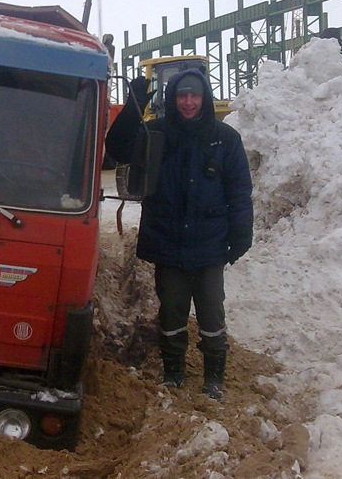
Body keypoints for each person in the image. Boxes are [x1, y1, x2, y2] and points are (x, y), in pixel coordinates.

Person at [105, 68, 254, 401]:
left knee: (212, 313)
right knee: (171, 311)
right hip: (167, 241)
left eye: (195, 95)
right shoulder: (155, 133)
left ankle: (213, 378)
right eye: (182, 95)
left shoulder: (225, 139)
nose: (188, 102)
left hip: (209, 243)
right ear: (172, 98)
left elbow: (239, 190)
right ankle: (174, 373)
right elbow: (117, 147)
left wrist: (241, 234)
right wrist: (134, 103)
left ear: (205, 97)